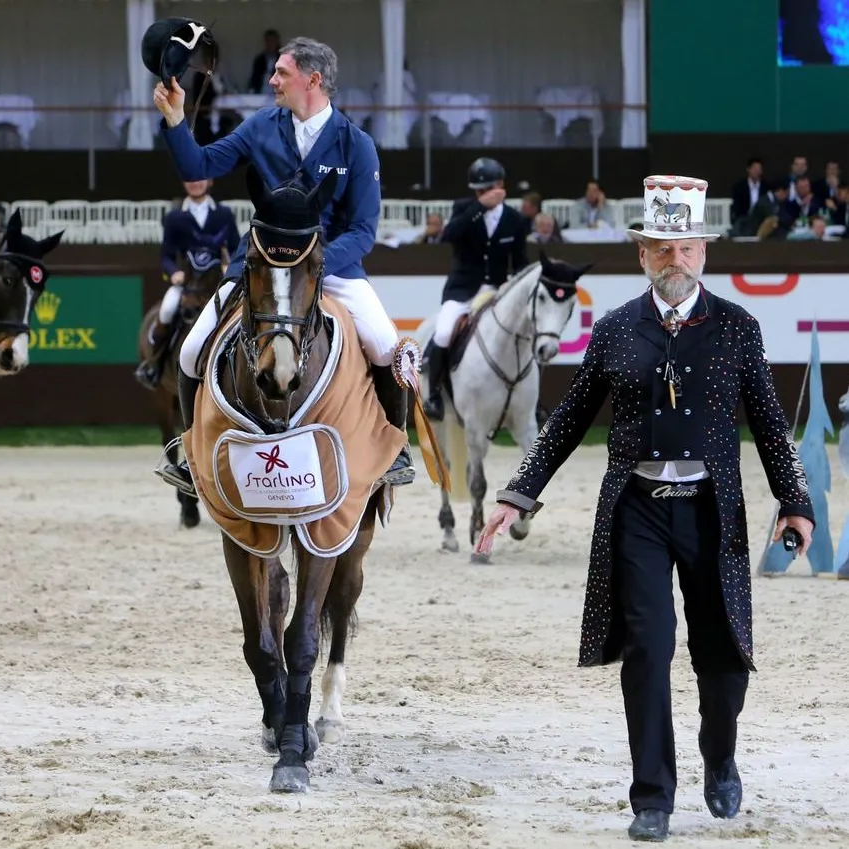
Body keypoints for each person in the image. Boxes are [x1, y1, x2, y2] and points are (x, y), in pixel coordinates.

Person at [475, 175, 815, 842]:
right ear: (642, 255)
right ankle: (652, 795)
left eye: (685, 247)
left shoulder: (739, 330)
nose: (674, 260)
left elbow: (771, 426)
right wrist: (516, 494)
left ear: (704, 253)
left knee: (720, 656)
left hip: (712, 509)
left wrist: (795, 501)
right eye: (661, 248)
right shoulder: (613, 331)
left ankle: (720, 754)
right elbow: (569, 420)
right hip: (636, 509)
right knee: (648, 647)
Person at [143, 21, 413, 491]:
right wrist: (174, 119)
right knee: (190, 351)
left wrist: (312, 262)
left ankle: (394, 447)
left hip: (329, 267)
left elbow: (364, 231)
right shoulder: (260, 127)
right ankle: (190, 451)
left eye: (281, 73)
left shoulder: (357, 144)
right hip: (260, 264)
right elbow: (198, 165)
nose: (272, 81)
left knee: (389, 349)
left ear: (312, 80)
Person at [422, 157, 529, 420]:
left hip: (497, 290)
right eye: (478, 191)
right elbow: (449, 236)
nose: (482, 194)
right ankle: (434, 394)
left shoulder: (515, 220)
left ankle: (531, 400)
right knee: (444, 332)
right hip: (462, 290)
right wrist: (480, 206)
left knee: (527, 333)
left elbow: (521, 263)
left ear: (501, 185)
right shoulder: (464, 209)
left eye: (487, 189)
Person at [135, 178, 239, 388]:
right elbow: (166, 255)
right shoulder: (175, 217)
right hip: (188, 283)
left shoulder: (223, 214)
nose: (195, 184)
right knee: (166, 310)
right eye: (190, 179)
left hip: (216, 282)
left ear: (209, 181)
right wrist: (174, 273)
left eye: (200, 178)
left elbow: (237, 248)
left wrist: (231, 267)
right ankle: (154, 364)